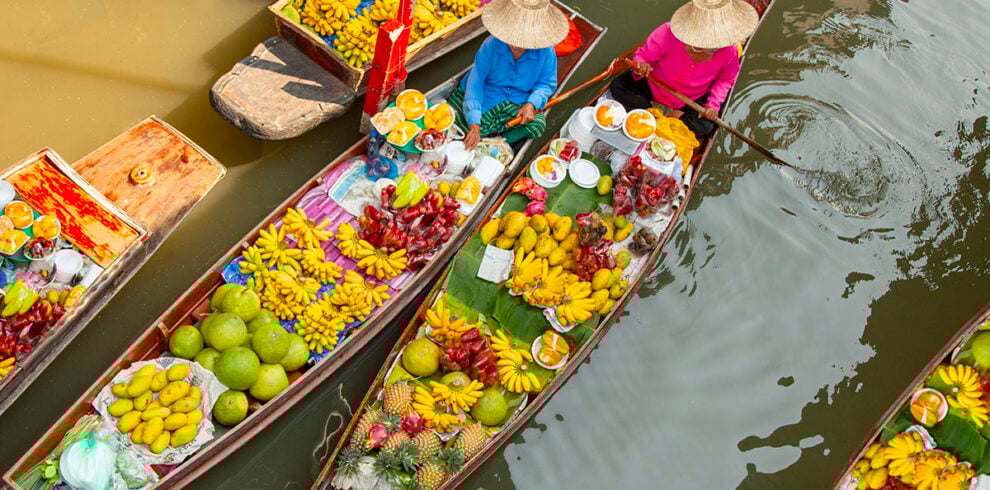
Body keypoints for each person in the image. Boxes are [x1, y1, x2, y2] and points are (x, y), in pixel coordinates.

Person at [609, 0, 758, 138]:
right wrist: (641, 65)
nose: (718, 47)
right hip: (656, 86)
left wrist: (712, 105)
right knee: (619, 86)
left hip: (692, 98)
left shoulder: (730, 50)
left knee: (704, 127)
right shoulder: (668, 32)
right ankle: (654, 113)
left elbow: (725, 80)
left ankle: (667, 116)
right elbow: (644, 56)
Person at [448, 0, 569, 150]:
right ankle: (486, 136)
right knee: (468, 126)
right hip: (488, 92)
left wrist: (532, 103)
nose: (516, 44)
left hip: (519, 98)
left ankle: (498, 142)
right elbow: (476, 81)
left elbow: (546, 84)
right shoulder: (490, 45)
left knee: (537, 125)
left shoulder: (546, 52)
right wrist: (474, 124)